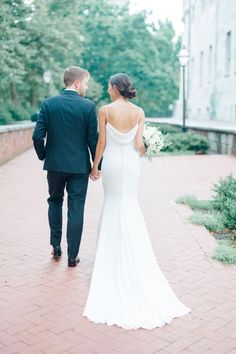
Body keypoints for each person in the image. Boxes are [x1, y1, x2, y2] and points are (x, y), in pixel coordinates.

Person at [83, 73, 191, 329]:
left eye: (109, 86)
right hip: (131, 163)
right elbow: (139, 145)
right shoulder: (139, 111)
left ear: (115, 88)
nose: (108, 89)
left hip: (112, 164)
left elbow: (102, 141)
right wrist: (148, 146)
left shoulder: (105, 110)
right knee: (129, 203)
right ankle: (135, 252)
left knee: (112, 202)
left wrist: (94, 166)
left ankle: (110, 256)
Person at [32, 66, 100, 267]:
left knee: (54, 201)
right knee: (76, 208)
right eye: (85, 83)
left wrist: (44, 155)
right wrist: (97, 165)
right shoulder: (88, 107)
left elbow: (37, 136)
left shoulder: (48, 104)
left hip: (54, 165)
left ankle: (55, 246)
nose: (86, 88)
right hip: (79, 167)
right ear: (77, 82)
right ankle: (72, 256)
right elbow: (93, 140)